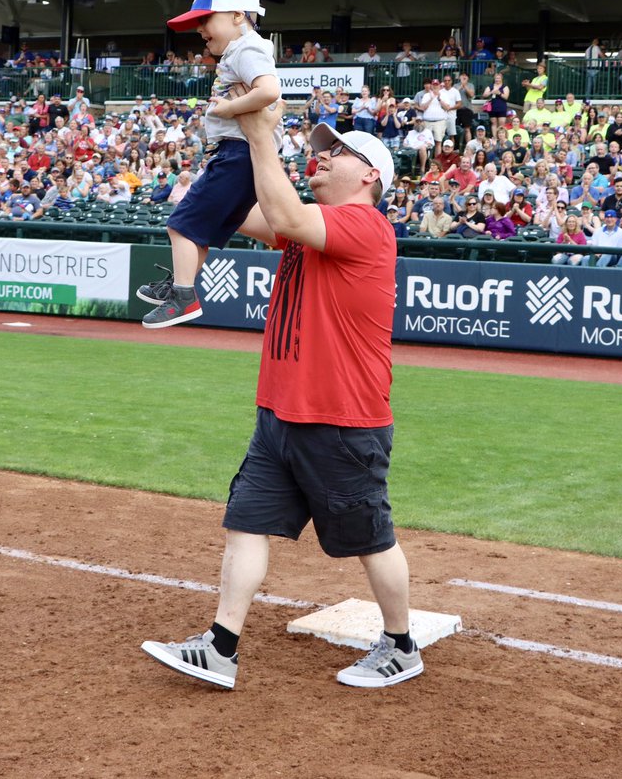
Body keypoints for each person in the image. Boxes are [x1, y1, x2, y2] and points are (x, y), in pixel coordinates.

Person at [141, 110, 424, 690]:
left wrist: (262, 133)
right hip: (279, 411)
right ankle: (221, 646)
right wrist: (221, 171)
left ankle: (400, 645)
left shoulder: (367, 226)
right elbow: (246, 211)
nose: (320, 157)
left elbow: (286, 213)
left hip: (342, 418)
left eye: (337, 152)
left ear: (370, 175)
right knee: (246, 524)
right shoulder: (307, 225)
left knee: (371, 539)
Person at [137, 0, 281, 328]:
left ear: (238, 15)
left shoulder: (247, 46)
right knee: (195, 230)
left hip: (238, 154)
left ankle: (184, 297)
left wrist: (227, 109)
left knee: (181, 225)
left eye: (206, 19)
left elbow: (269, 90)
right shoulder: (238, 48)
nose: (200, 29)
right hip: (237, 154)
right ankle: (179, 285)